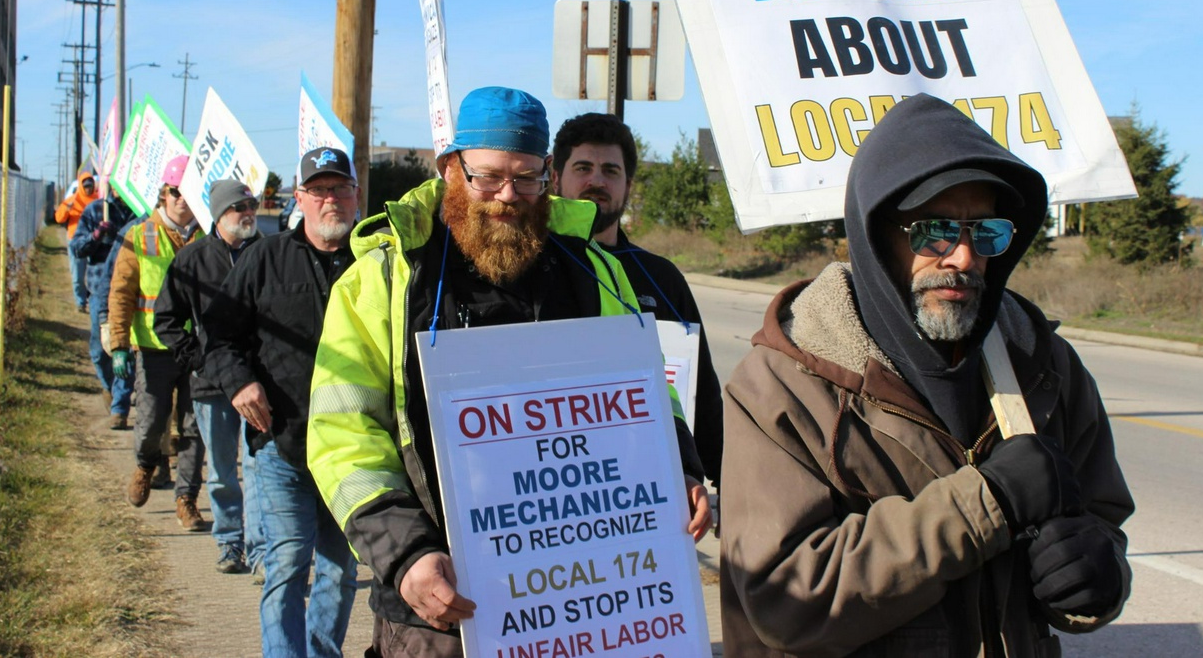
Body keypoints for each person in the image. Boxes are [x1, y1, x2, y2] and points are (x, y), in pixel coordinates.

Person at [720, 93, 1134, 656]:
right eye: (934, 231)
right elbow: (786, 596)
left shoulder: (1042, 366)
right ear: (876, 236)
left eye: (985, 234)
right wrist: (987, 502)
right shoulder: (782, 384)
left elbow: (1103, 519)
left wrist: (1095, 574)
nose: (962, 257)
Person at [306, 86, 712, 657]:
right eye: (488, 177)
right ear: (451, 168)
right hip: (438, 605)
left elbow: (646, 393)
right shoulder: (386, 280)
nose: (507, 197)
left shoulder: (595, 271)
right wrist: (405, 554)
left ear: (547, 172)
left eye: (526, 179)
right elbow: (341, 434)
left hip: (587, 597)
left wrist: (680, 470)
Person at [202, 147, 361, 657]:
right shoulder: (264, 259)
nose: (330, 199)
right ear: (300, 199)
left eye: (340, 188)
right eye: (319, 190)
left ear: (356, 196)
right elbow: (220, 336)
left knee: (341, 569)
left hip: (355, 449)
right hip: (281, 443)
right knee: (289, 561)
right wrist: (239, 383)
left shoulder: (376, 262)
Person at [551, 111, 724, 487]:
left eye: (611, 171)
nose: (596, 180)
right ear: (554, 178)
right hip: (556, 483)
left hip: (645, 485)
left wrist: (729, 481)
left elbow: (703, 396)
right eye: (583, 167)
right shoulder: (529, 270)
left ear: (628, 184)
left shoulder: (661, 278)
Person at [154, 179, 267, 578]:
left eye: (251, 205)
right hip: (210, 387)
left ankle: (259, 552)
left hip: (258, 384)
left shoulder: (267, 254)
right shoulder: (192, 260)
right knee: (221, 469)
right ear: (219, 214)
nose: (248, 212)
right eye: (240, 207)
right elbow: (165, 321)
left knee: (256, 468)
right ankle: (229, 542)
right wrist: (199, 360)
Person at [109, 155, 208, 531]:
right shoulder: (139, 235)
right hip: (152, 348)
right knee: (150, 423)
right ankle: (146, 465)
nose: (182, 199)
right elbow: (121, 290)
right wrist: (119, 343)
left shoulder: (209, 237)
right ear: (163, 195)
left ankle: (187, 499)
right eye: (174, 191)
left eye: (188, 192)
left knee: (192, 426)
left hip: (196, 349)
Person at [69, 186, 136, 428]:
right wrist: (96, 236)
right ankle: (109, 387)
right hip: (100, 289)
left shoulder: (141, 216)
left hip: (130, 291)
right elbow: (76, 248)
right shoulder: (96, 210)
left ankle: (120, 407)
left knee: (124, 349)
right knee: (100, 351)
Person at [56, 170, 100, 311]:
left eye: (90, 186)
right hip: (76, 242)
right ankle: (81, 302)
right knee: (77, 278)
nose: (88, 189)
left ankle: (94, 300)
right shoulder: (72, 201)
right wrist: (66, 210)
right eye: (85, 186)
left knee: (96, 274)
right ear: (81, 186)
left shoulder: (98, 200)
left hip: (94, 242)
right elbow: (59, 218)